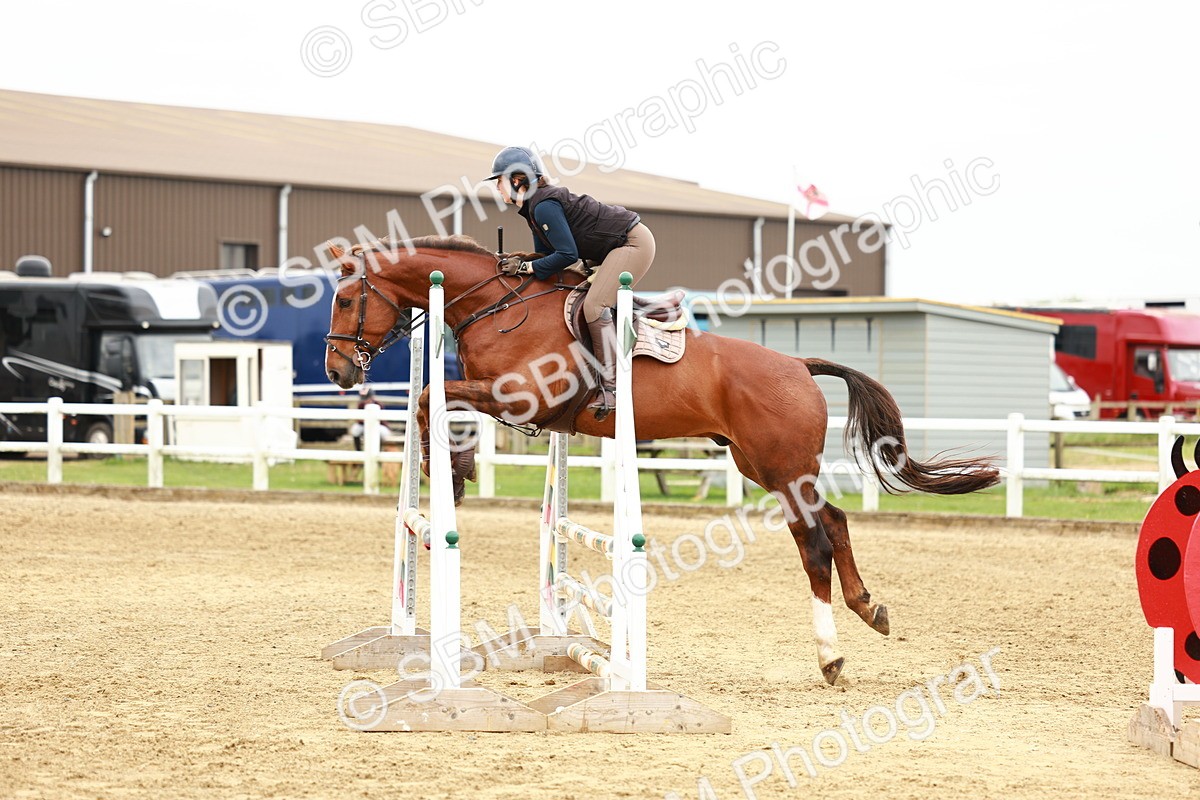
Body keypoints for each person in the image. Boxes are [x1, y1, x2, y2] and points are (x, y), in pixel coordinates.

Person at [486, 145, 655, 420]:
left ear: (517, 180)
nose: (497, 188)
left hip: (632, 243)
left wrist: (525, 266)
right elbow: (546, 259)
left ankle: (612, 387)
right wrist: (516, 262)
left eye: (499, 181)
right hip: (611, 248)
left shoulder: (543, 206)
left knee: (594, 306)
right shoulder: (533, 208)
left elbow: (567, 255)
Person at [350, 385, 391, 450]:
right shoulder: (361, 405)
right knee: (355, 429)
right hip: (364, 425)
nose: (365, 400)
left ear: (372, 397)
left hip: (379, 425)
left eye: (367, 398)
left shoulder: (378, 404)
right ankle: (358, 450)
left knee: (380, 432)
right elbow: (358, 419)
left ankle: (378, 450)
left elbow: (382, 420)